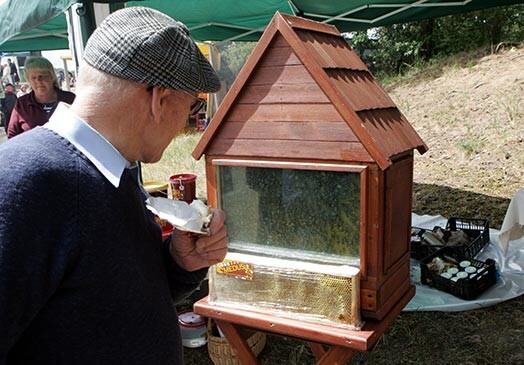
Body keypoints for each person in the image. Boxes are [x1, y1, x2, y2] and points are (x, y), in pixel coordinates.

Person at [0, 7, 227, 364]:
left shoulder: (112, 171)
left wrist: (179, 264)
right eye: (192, 105)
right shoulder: (22, 182)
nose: (189, 119)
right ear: (160, 98)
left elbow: (111, 303)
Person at [7, 56, 75, 138]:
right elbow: (12, 135)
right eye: (33, 78)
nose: (38, 81)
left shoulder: (70, 99)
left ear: (52, 77)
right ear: (28, 80)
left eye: (43, 76)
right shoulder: (22, 104)